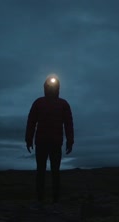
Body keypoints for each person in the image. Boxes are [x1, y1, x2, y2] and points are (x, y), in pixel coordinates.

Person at [25, 74, 74, 209]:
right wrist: (28, 138)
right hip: (42, 142)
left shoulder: (62, 104)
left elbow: (68, 123)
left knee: (54, 172)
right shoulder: (39, 103)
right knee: (42, 171)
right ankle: (41, 200)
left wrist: (70, 140)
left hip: (54, 143)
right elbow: (31, 122)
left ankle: (55, 200)